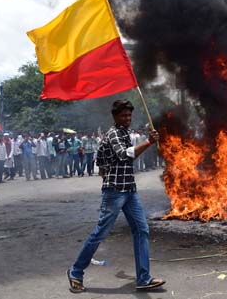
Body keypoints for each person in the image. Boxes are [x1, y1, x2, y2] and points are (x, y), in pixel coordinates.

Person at [67, 99, 165, 293]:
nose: (127, 118)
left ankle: (143, 278)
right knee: (100, 233)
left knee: (142, 230)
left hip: (129, 190)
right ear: (115, 116)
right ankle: (76, 271)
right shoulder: (113, 134)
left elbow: (113, 158)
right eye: (123, 115)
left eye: (129, 115)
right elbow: (124, 154)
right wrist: (149, 142)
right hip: (115, 192)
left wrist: (147, 143)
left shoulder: (124, 133)